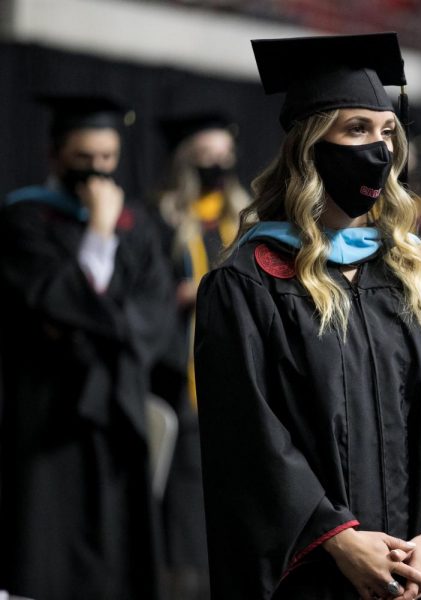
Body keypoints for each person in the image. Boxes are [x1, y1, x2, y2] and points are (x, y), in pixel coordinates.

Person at [193, 33, 421, 600]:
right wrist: (340, 541)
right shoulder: (249, 281)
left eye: (387, 132)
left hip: (419, 572)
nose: (378, 149)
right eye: (356, 130)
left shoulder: (419, 274)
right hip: (314, 575)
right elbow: (249, 442)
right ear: (308, 144)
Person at [0, 95, 172, 599]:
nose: (97, 173)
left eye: (107, 159)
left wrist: (93, 322)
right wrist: (97, 231)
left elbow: (154, 314)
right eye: (84, 159)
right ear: (55, 156)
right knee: (42, 555)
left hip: (117, 409)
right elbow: (47, 301)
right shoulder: (24, 221)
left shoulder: (136, 227)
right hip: (49, 411)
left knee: (118, 563)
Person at [152, 111, 249, 599]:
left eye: (223, 157)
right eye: (205, 157)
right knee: (189, 492)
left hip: (241, 374)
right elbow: (143, 295)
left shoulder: (247, 219)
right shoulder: (164, 220)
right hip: (183, 377)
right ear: (184, 162)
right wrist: (180, 295)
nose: (216, 166)